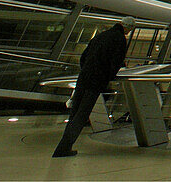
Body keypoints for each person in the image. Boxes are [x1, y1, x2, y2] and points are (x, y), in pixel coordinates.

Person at [52, 17, 135, 157]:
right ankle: (64, 147)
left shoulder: (101, 35)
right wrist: (108, 77)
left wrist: (86, 70)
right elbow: (116, 62)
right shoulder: (119, 39)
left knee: (75, 112)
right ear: (128, 28)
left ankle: (63, 146)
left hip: (84, 77)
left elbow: (83, 57)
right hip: (96, 80)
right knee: (82, 114)